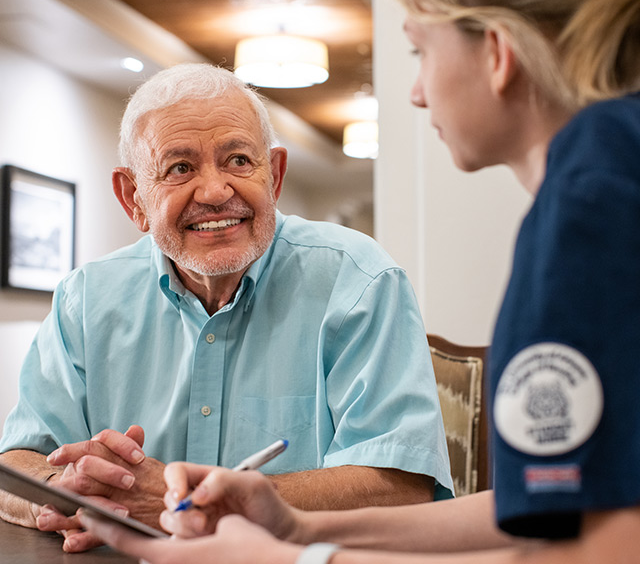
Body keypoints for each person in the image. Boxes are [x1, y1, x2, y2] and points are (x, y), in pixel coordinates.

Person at [76, 0, 640, 562]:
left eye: (419, 51)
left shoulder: (594, 197)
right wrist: (296, 528)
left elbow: (599, 548)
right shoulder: (603, 167)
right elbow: (555, 508)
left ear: (497, 54)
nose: (417, 92)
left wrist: (280, 559)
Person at [0, 63, 455, 552]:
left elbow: (403, 487)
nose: (216, 192)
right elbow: (16, 465)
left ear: (275, 175)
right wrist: (70, 495)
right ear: (134, 198)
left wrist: (197, 503)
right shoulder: (85, 298)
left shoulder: (360, 281)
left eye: (238, 160)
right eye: (180, 168)